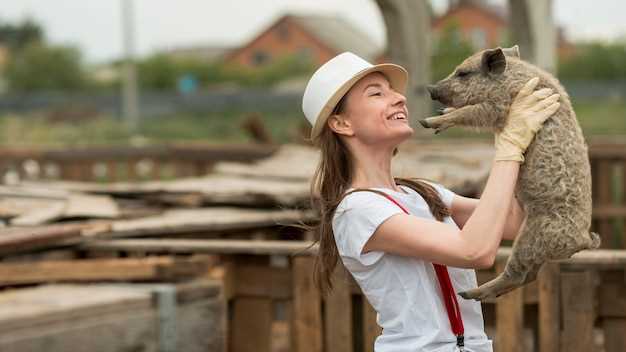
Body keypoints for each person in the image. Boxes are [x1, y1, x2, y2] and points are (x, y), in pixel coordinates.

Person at [301, 52, 560, 352]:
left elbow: (517, 222)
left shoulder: (422, 193)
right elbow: (475, 251)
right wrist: (510, 147)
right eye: (376, 93)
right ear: (341, 123)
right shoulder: (356, 210)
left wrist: (518, 136)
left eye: (393, 90)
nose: (399, 98)